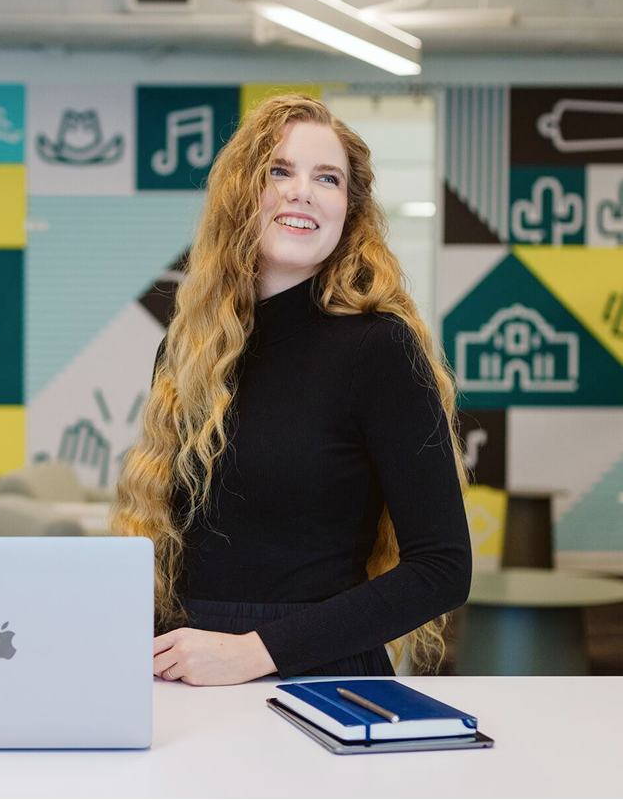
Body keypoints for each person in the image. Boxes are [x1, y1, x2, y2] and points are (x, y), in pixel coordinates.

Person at [113, 94, 471, 685]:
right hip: (185, 679)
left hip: (317, 680)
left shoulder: (379, 349)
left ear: (348, 211)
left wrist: (255, 652)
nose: (302, 190)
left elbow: (442, 568)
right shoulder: (185, 353)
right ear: (239, 195)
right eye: (279, 171)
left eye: (327, 178)